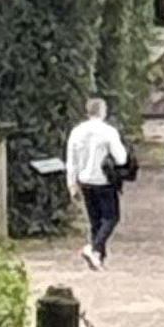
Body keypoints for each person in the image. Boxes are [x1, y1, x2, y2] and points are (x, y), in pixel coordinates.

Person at [64, 94, 131, 269]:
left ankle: (97, 257)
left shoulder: (76, 132)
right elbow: (121, 158)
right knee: (111, 217)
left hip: (84, 180)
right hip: (104, 180)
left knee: (95, 221)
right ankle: (93, 248)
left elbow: (71, 160)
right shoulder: (108, 131)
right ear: (103, 111)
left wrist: (71, 183)